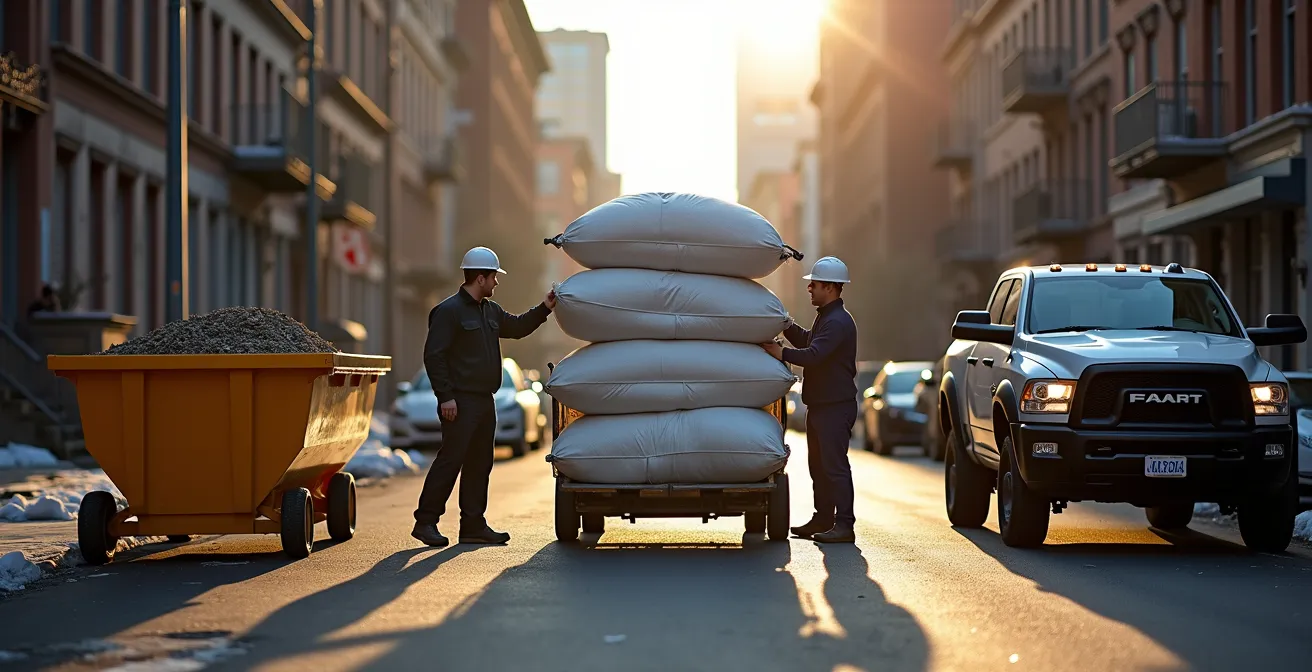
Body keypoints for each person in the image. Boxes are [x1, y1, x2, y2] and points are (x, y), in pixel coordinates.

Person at [412, 246, 557, 547]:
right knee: (450, 461)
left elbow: (518, 326)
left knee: (480, 464)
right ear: (480, 278)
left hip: (484, 400)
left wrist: (545, 307)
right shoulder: (448, 311)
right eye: (493, 277)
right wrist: (445, 396)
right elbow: (434, 356)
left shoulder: (491, 311)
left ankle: (473, 526)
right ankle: (425, 522)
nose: (496, 282)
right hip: (459, 402)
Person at [760, 256, 858, 543]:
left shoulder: (838, 322)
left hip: (834, 407)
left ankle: (844, 525)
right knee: (819, 467)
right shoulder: (827, 317)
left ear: (830, 287)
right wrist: (786, 325)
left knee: (834, 467)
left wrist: (781, 353)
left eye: (814, 284)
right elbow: (808, 341)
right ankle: (823, 518)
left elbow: (815, 355)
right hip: (821, 406)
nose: (809, 288)